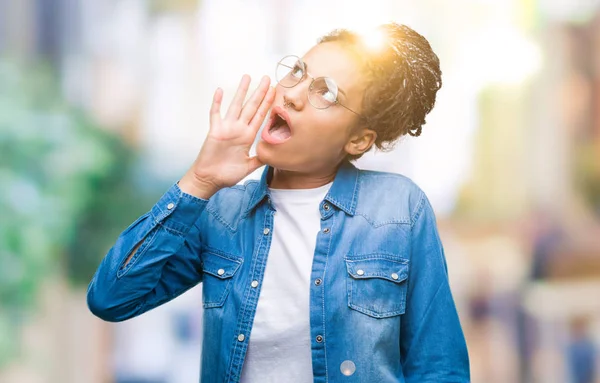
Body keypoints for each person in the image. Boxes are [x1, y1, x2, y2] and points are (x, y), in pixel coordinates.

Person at [87, 22, 470, 382]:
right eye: (298, 72)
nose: (294, 94)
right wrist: (199, 181)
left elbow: (438, 366)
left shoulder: (399, 209)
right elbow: (111, 298)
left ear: (357, 141)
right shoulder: (223, 212)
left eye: (327, 93)